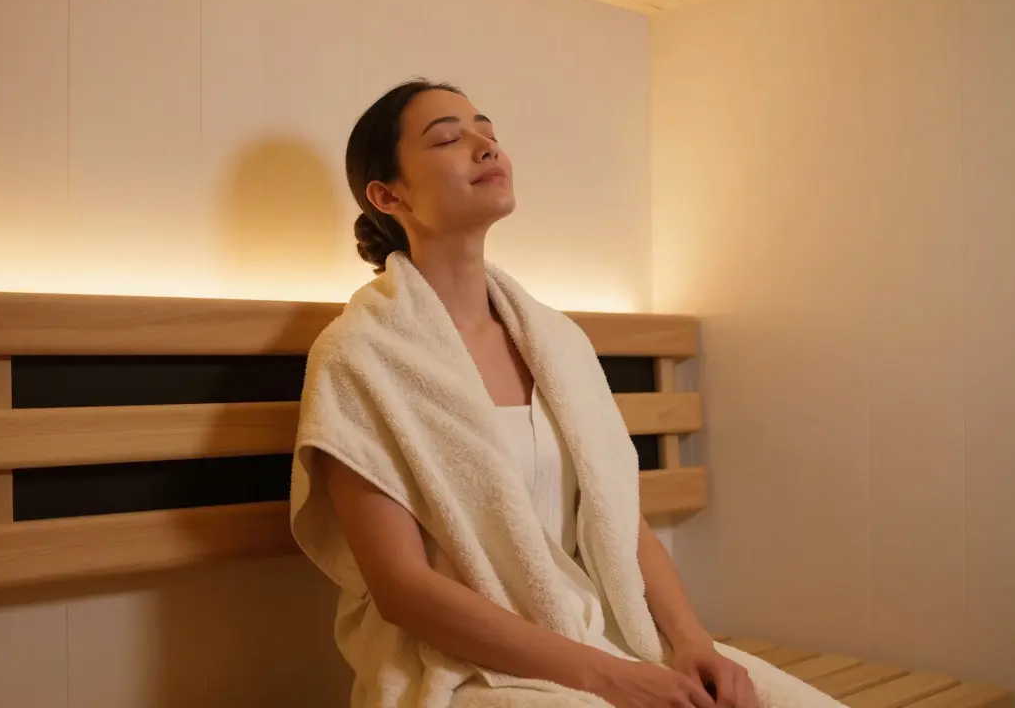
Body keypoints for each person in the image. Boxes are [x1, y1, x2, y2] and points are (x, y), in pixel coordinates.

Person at [290, 80, 794, 708]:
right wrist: (610, 678)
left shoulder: (557, 343)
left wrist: (693, 641)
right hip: (466, 670)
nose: (484, 146)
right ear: (389, 195)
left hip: (613, 640)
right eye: (449, 137)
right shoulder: (361, 357)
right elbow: (401, 587)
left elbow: (616, 515)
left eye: (488, 132)